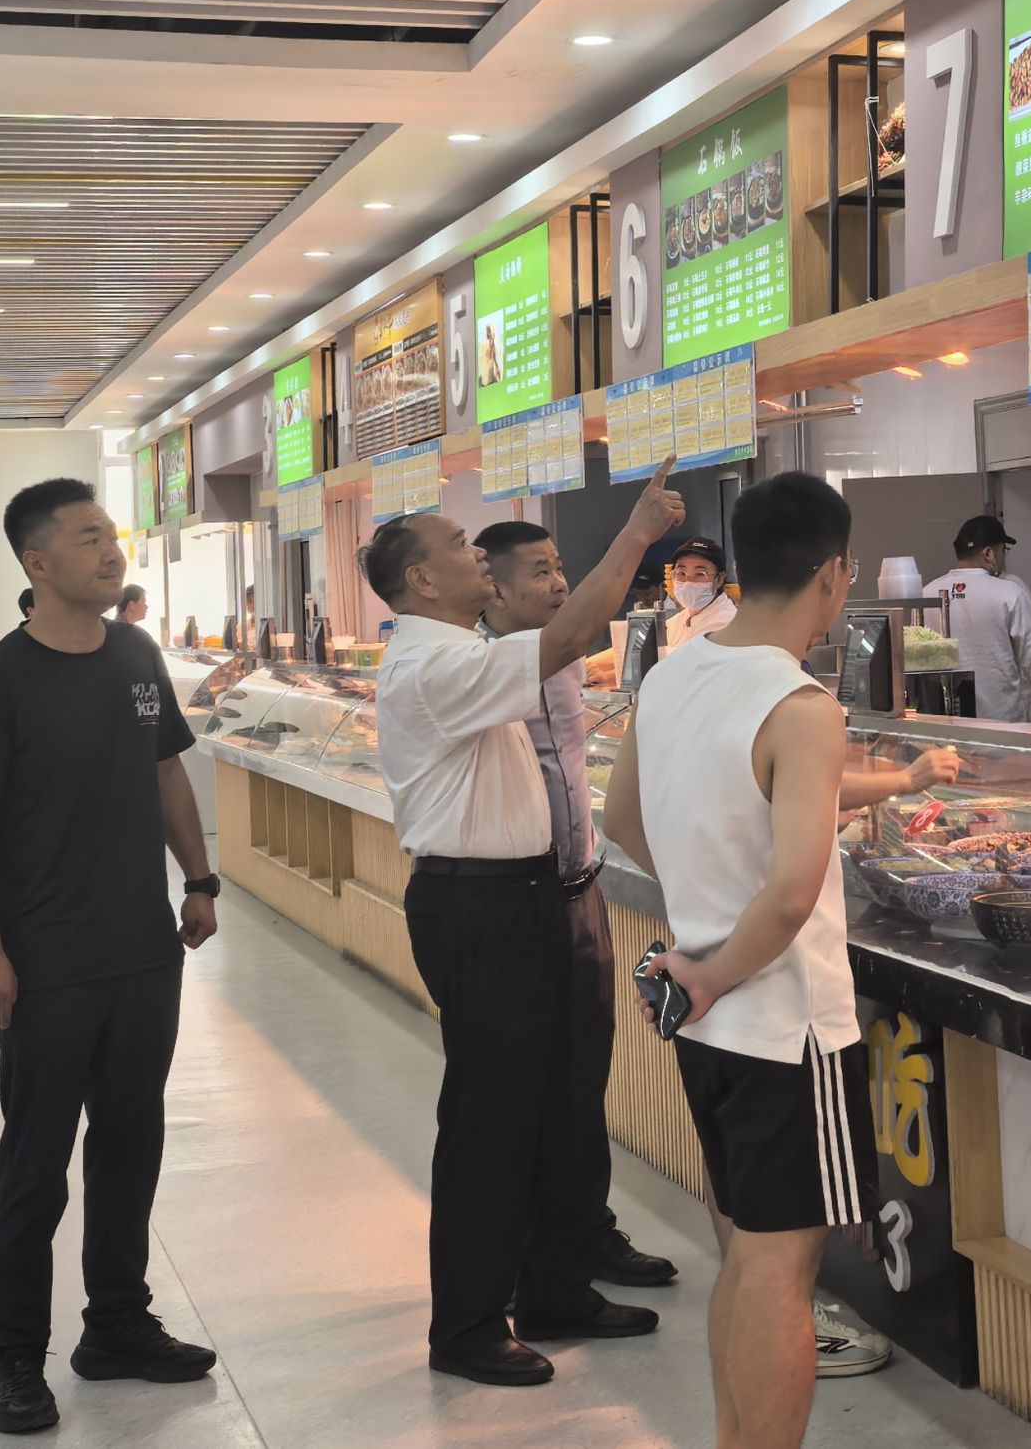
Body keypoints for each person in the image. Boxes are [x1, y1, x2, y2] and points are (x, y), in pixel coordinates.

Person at [363, 462, 683, 1387]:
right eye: (458, 545)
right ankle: (465, 1324)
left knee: (550, 1105)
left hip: (527, 895)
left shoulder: (457, 649)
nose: (474, 553)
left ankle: (555, 1289)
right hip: (480, 904)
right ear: (421, 578)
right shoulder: (434, 661)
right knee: (491, 1120)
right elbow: (573, 631)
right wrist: (636, 531)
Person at [603, 471, 901, 1449]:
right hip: (784, 1024)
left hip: (707, 1023)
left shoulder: (671, 672)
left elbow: (622, 818)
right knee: (782, 1269)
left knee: (741, 1249)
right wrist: (722, 966)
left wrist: (702, 934)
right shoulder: (801, 703)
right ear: (833, 574)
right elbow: (790, 892)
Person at [0, 478, 220, 1436]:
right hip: (45, 962)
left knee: (132, 1143)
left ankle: (117, 1325)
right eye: (89, 537)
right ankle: (16, 1357)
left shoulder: (137, 654)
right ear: (38, 562)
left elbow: (165, 768)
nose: (112, 551)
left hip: (143, 952)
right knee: (36, 1165)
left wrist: (199, 878)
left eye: (113, 534)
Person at [475, 519, 680, 1304]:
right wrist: (637, 531)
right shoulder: (488, 662)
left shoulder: (561, 657)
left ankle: (586, 1228)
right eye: (539, 570)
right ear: (492, 586)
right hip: (520, 897)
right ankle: (533, 1261)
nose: (559, 582)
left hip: (579, 883)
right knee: (530, 1088)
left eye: (560, 565)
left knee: (584, 1072)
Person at [922, 515, 1031, 725]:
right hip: (1002, 726)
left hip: (943, 726)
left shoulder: (926, 594)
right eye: (1003, 550)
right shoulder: (1009, 593)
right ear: (988, 553)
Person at [666, 535, 738, 650]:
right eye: (681, 573)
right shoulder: (675, 622)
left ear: (719, 579)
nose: (688, 582)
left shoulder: (725, 622)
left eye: (700, 574)